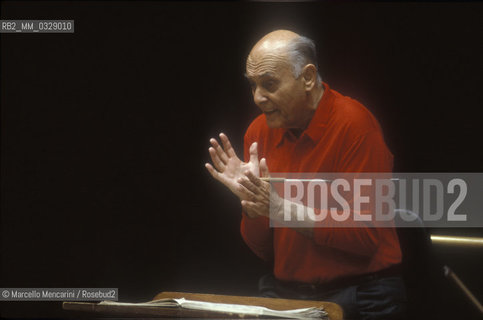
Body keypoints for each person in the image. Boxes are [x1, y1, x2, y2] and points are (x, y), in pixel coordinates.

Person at [205, 30, 406, 320]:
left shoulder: (355, 125)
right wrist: (252, 206)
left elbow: (367, 235)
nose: (258, 97)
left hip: (363, 293)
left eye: (269, 84)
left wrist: (281, 209)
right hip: (288, 292)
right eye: (253, 85)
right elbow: (263, 249)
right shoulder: (258, 132)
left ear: (308, 78)